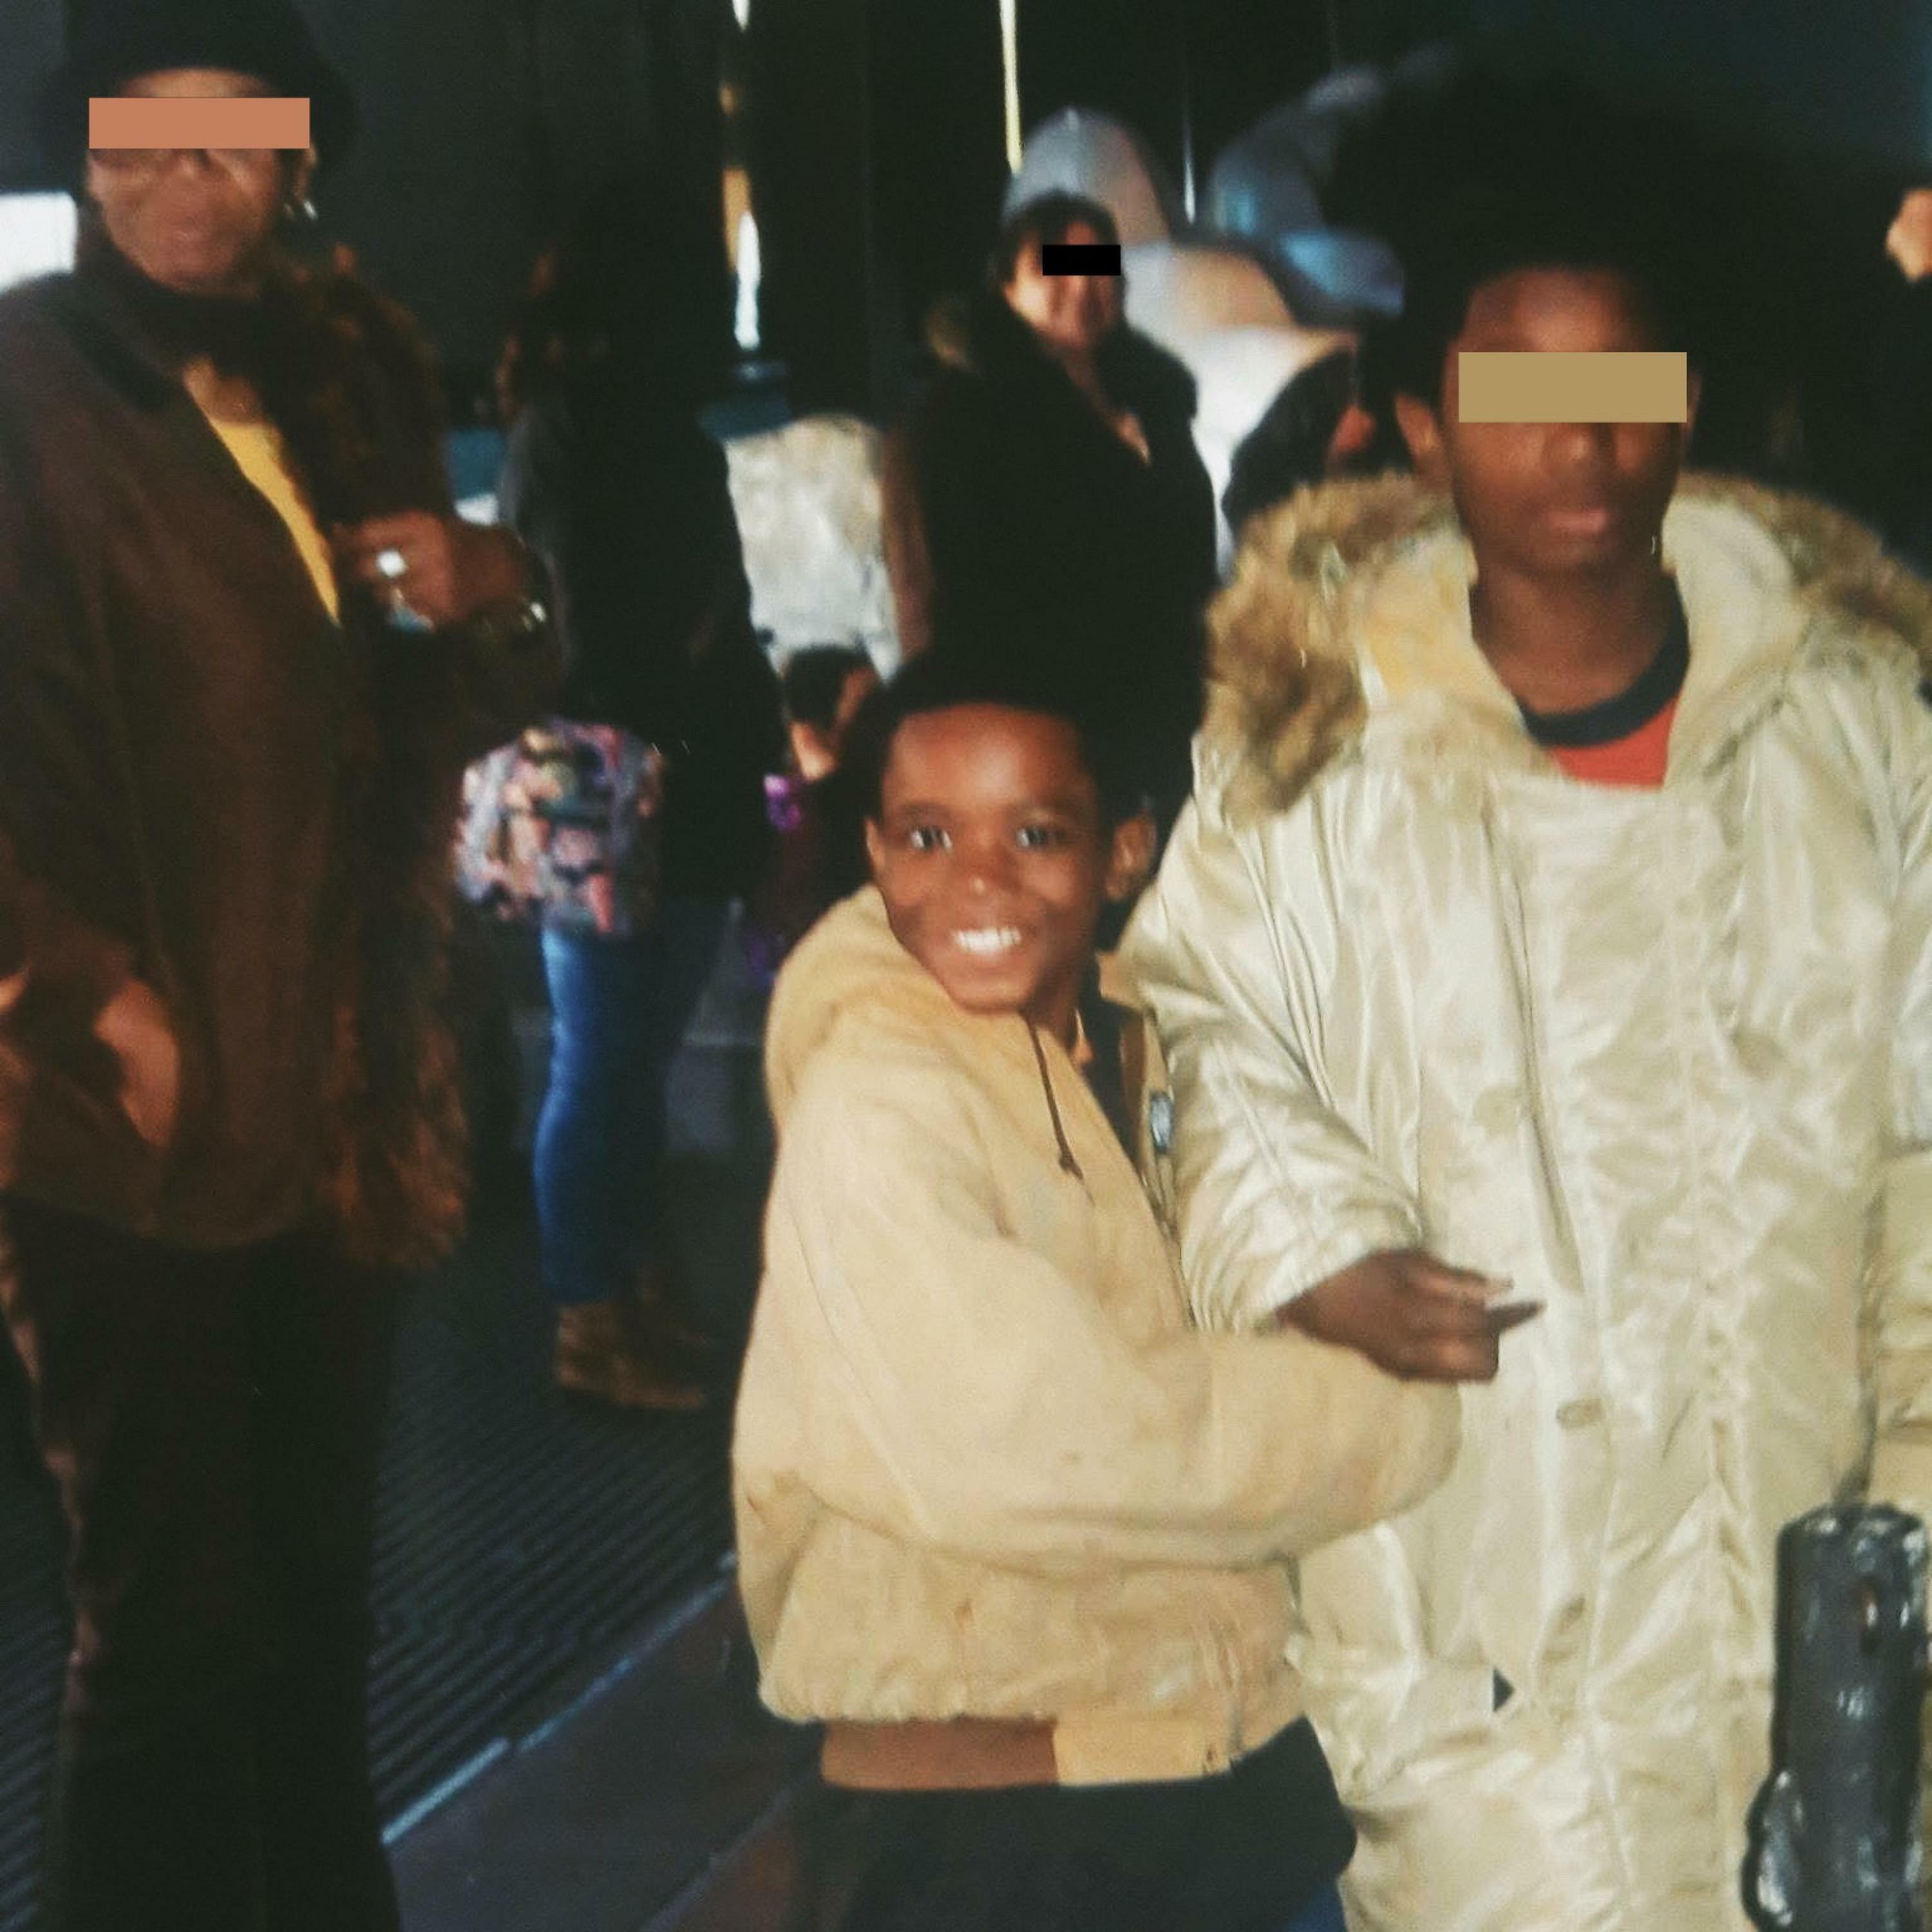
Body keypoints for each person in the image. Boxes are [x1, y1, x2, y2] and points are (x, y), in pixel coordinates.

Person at [1120, 115, 1932, 1932]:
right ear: (1423, 427)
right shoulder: (1315, 756)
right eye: (1518, 390)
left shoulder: (1854, 735)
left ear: (1686, 403)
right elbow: (1198, 1027)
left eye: (1623, 385)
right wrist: (1308, 1241)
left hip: (1811, 1576)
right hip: (1483, 1606)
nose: (1582, 439)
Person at [0, 4, 562, 1927]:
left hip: (340, 1113)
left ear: (297, 155)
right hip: (127, 1128)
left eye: (230, 134)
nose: (185, 174)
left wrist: (500, 588)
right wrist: (92, 1000)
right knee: (164, 1646)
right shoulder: (29, 390)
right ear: (81, 156)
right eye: (137, 134)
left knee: (314, 1625)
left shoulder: (345, 377)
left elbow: (425, 718)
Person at [733, 643, 1461, 1932]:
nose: (979, 880)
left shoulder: (1149, 1046)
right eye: (928, 836)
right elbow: (1035, 1445)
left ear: (1123, 854)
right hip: (985, 1822)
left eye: (1034, 833)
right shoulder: (875, 1108)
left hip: (1220, 1764)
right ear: (875, 853)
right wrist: (1399, 1409)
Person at [495, 175, 788, 1412]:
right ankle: (589, 1317)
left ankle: (630, 1282)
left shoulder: (656, 432)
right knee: (604, 1060)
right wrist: (698, 662)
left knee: (633, 1058)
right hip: (612, 785)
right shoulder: (570, 430)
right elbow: (587, 627)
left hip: (680, 780)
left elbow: (699, 617)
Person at [879, 192, 1218, 840]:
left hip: (1165, 719)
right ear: (1006, 285)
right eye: (1056, 269)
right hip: (1043, 730)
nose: (1083, 287)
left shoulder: (1155, 403)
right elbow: (930, 602)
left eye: (1100, 268)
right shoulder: (954, 420)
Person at [744, 646, 880, 984]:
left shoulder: (862, 800)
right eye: (868, 707)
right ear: (813, 727)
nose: (884, 718)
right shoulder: (789, 806)